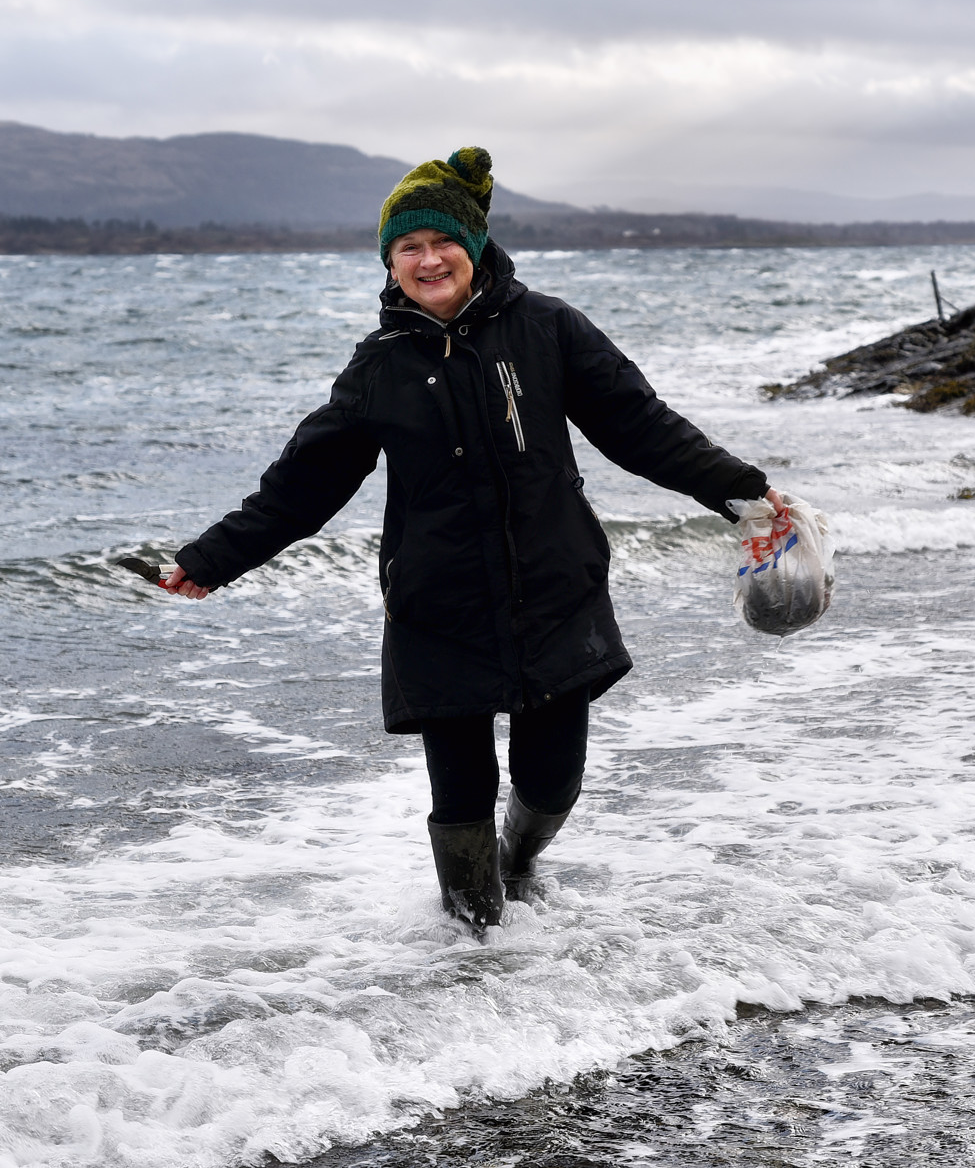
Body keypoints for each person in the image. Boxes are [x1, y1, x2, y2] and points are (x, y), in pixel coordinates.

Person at [161, 147, 782, 928]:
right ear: (390, 264)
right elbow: (302, 487)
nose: (428, 260)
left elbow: (642, 427)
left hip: (554, 593)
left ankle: (518, 865)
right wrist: (210, 558)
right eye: (407, 248)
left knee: (552, 779)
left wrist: (746, 493)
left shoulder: (549, 329)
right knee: (459, 792)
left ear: (475, 244)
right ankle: (474, 947)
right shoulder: (377, 369)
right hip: (439, 606)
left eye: (441, 242)